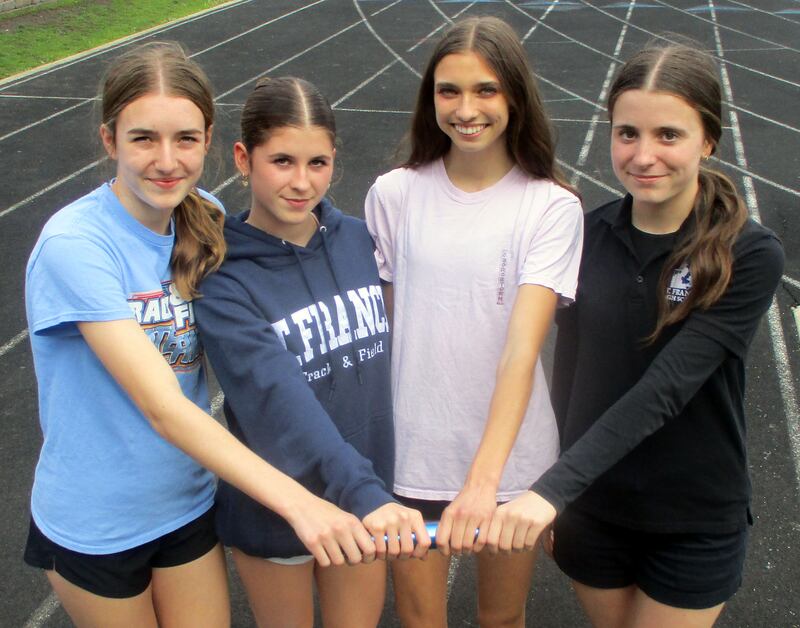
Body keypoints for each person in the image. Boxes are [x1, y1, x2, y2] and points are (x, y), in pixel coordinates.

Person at [24, 43, 386, 628]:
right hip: (99, 521)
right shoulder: (76, 246)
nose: (166, 160)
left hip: (186, 502)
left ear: (210, 142)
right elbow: (162, 407)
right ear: (110, 140)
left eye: (186, 139)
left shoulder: (203, 217)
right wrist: (300, 504)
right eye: (143, 138)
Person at [486, 41, 785, 628]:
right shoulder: (584, 234)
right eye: (627, 134)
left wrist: (550, 490)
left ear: (708, 140)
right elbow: (567, 372)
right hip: (594, 507)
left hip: (692, 514)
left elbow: (668, 388)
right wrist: (564, 496)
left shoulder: (748, 253)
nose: (644, 155)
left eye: (668, 135)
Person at [364, 16, 584, 628]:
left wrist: (484, 483)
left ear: (515, 95)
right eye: (448, 90)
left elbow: (521, 352)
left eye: (485, 90)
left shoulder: (551, 207)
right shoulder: (393, 195)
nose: (466, 109)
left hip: (510, 462)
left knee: (501, 618)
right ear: (429, 97)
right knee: (420, 619)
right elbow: (390, 327)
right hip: (413, 451)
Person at [193, 76, 430, 628]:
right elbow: (279, 400)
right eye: (282, 161)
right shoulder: (224, 277)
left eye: (318, 163)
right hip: (281, 510)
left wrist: (368, 490)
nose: (302, 183)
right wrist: (366, 491)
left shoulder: (356, 241)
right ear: (242, 158)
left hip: (361, 494)